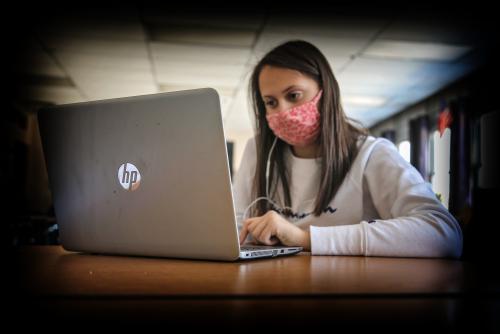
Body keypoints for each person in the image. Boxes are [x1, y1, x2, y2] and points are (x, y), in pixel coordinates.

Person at [232, 40, 462, 258]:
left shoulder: (372, 153)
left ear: (325, 92)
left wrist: (305, 238)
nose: (282, 111)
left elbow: (443, 233)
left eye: (293, 96)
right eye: (271, 102)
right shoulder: (258, 150)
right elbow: (237, 226)